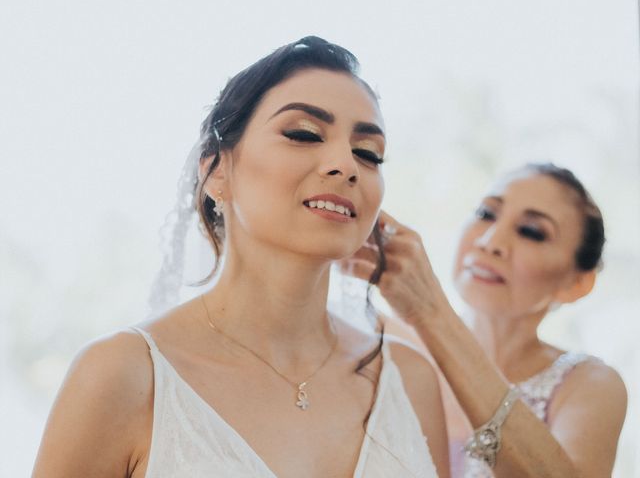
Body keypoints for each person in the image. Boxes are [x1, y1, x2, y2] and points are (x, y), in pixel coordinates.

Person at [32, 36, 449, 478]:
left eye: (369, 154)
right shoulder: (123, 377)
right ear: (216, 172)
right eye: (304, 134)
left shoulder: (408, 378)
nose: (346, 164)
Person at [343, 163, 627, 477]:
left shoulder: (588, 384)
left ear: (577, 284)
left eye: (531, 232)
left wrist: (432, 312)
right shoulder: (374, 340)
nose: (491, 241)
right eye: (485, 214)